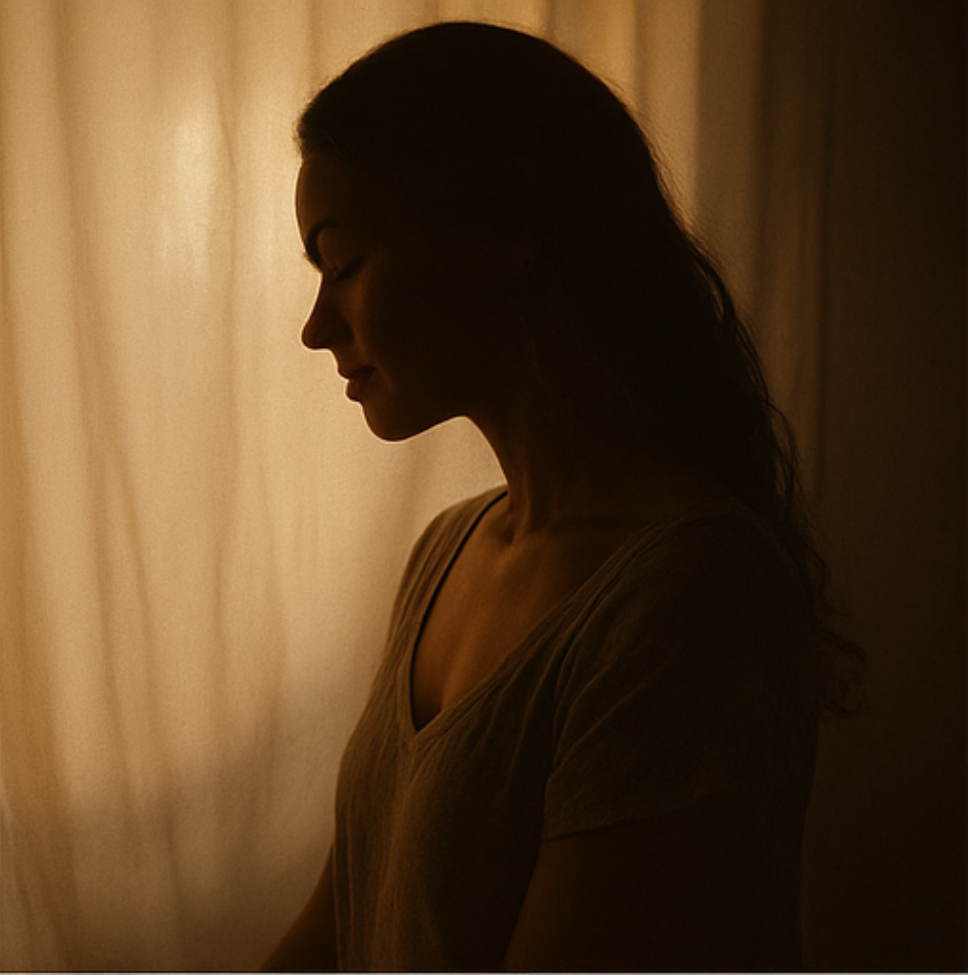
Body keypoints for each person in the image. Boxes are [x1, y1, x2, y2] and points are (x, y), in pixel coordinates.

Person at [262, 21, 857, 972]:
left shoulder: (692, 595)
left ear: (504, 230)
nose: (315, 325)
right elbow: (345, 920)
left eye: (345, 262)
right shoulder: (447, 554)